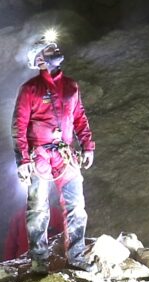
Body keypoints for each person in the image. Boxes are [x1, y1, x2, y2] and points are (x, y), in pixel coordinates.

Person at [12, 36, 95, 269]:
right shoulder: (30, 89)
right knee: (38, 209)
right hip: (39, 157)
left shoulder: (71, 86)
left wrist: (88, 146)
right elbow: (19, 126)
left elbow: (79, 118)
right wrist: (22, 160)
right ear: (39, 60)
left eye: (54, 48)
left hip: (65, 155)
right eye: (49, 50)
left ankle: (76, 257)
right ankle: (39, 261)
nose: (55, 51)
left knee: (76, 206)